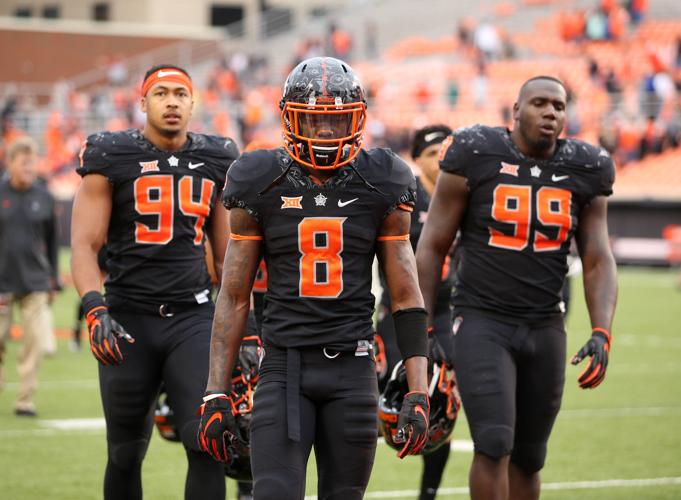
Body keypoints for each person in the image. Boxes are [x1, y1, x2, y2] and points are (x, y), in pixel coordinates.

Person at [198, 56, 430, 500]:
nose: (326, 132)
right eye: (315, 121)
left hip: (354, 367)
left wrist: (418, 391)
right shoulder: (258, 178)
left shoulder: (384, 179)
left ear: (357, 120)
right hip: (284, 367)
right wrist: (215, 391)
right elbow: (233, 296)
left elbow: (405, 295)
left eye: (336, 121)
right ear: (289, 118)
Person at [416, 75, 618, 500]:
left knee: (530, 455)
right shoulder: (476, 152)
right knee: (493, 443)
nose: (550, 112)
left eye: (559, 106)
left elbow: (598, 258)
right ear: (515, 111)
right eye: (539, 103)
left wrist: (602, 329)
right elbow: (431, 246)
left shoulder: (586, 167)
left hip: (545, 324)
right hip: (482, 321)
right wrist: (423, 326)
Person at [70, 64, 239, 500]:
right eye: (161, 93)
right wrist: (94, 307)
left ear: (192, 103)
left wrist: (249, 327)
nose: (171, 102)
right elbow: (85, 246)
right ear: (142, 103)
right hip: (129, 319)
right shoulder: (111, 153)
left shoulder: (218, 156)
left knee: (206, 443)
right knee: (125, 452)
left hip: (193, 318)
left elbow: (229, 258)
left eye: (180, 94)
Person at [376, 125, 456, 499]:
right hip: (400, 315)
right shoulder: (404, 195)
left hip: (447, 315)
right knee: (377, 405)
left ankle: (429, 493)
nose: (441, 159)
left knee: (442, 408)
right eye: (432, 152)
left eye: (447, 150)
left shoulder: (464, 195)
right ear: (417, 159)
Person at [0, 136, 60, 417]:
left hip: (35, 281)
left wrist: (54, 279)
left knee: (34, 342)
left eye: (31, 163)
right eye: (23, 163)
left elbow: (51, 240)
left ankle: (24, 399)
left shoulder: (44, 196)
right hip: (2, 281)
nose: (29, 168)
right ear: (10, 163)